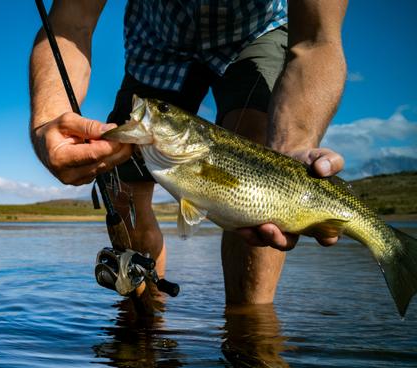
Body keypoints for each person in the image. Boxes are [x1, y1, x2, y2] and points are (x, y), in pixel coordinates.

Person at [29, 0, 347, 305]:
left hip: (256, 31)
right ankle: (147, 321)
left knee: (258, 148)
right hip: (157, 41)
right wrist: (48, 119)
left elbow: (317, 42)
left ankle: (251, 338)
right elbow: (71, 22)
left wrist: (289, 150)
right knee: (122, 189)